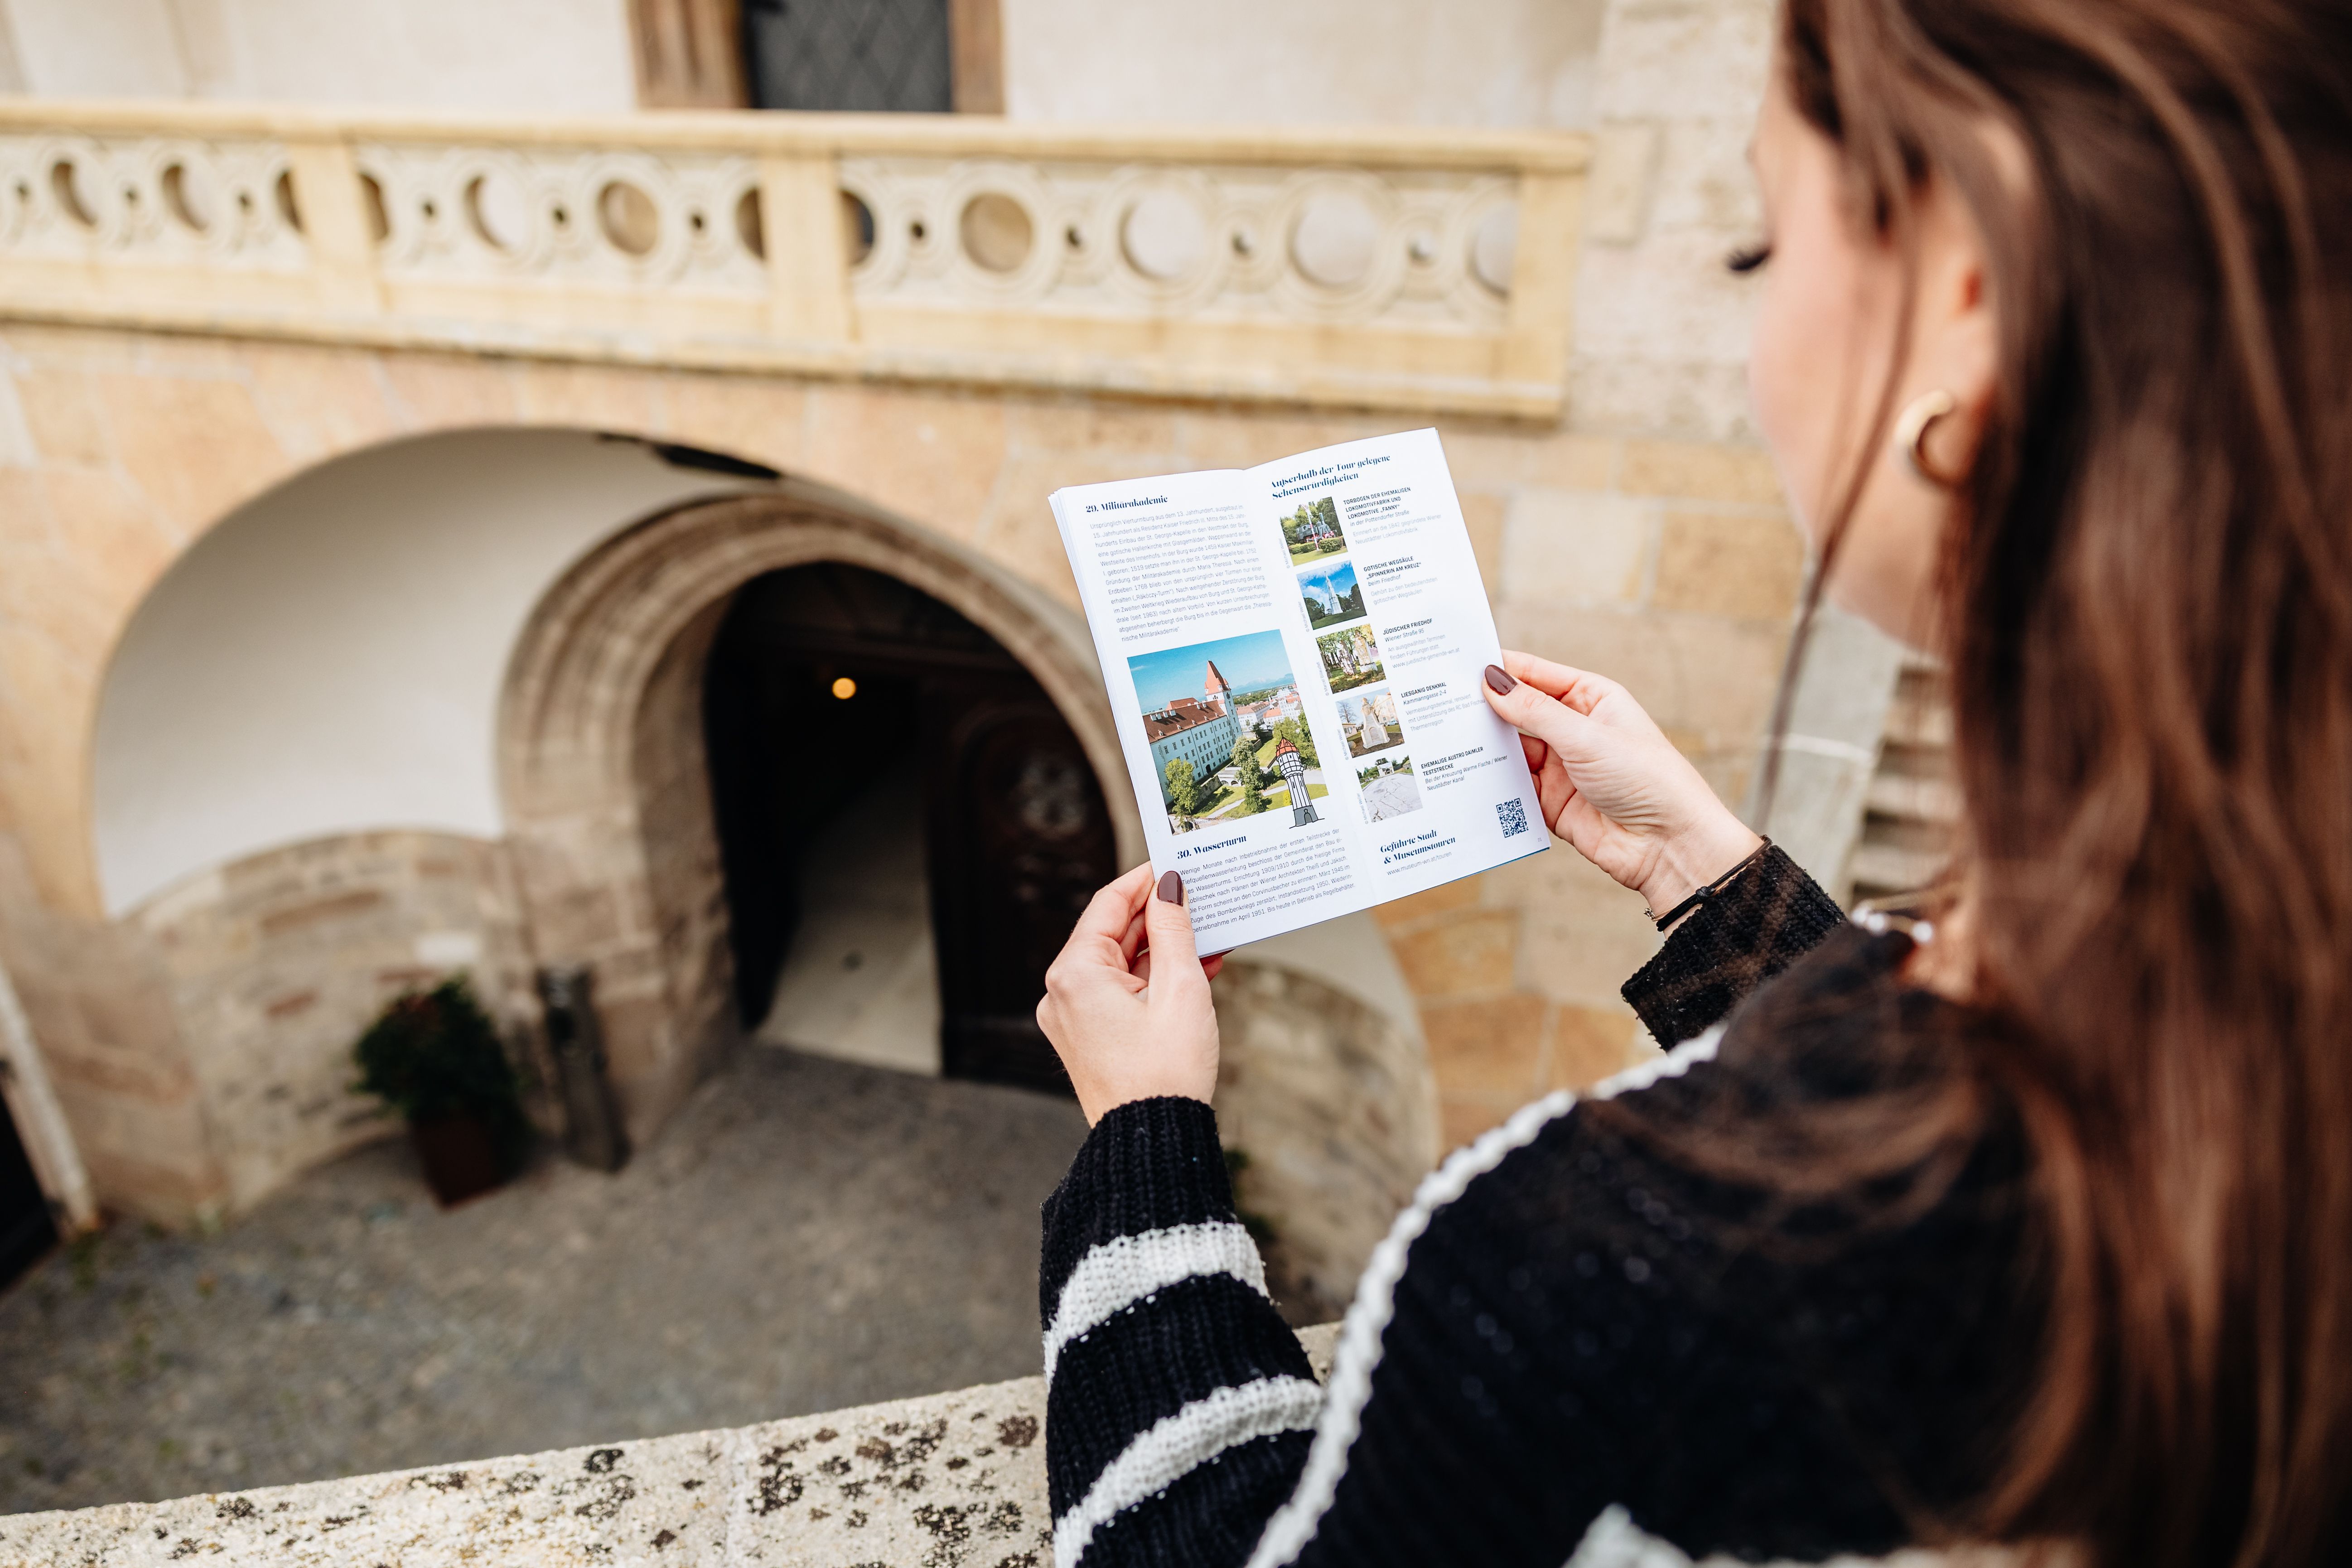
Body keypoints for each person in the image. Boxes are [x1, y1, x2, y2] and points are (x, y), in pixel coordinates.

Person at [1031, 1, 2352, 1564]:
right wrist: (1713, 886)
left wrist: (1142, 1136)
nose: (1754, 320)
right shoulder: (2263, 1006)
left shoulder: (1607, 1266)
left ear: (1966, 309)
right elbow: (1998, 1157)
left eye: (1761, 243)